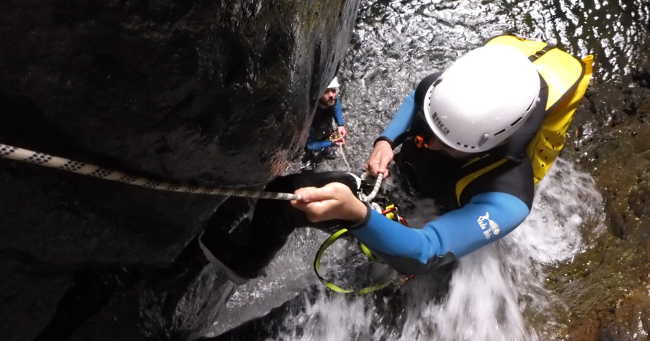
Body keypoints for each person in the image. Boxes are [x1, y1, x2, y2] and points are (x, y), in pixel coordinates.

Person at [200, 34, 592, 282]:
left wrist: (359, 215)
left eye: (444, 142)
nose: (426, 141)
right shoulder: (448, 96)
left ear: (488, 143)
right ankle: (246, 262)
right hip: (406, 192)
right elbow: (417, 98)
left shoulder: (508, 198)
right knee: (289, 192)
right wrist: (387, 140)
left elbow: (426, 251)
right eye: (428, 129)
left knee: (373, 283)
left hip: (439, 223)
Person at [303, 77, 348, 163]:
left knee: (338, 136)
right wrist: (331, 142)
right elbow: (309, 145)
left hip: (324, 131)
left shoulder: (332, 101)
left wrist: (341, 125)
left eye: (333, 91)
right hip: (313, 138)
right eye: (326, 91)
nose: (331, 95)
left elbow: (336, 106)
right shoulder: (310, 112)